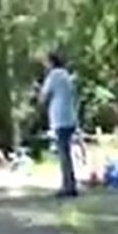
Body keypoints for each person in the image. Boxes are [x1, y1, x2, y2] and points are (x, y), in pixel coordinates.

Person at [38, 52, 79, 198]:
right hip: (70, 117)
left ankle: (68, 186)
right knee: (67, 153)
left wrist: (40, 92)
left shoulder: (54, 76)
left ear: (51, 63)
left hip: (60, 118)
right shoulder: (66, 75)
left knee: (63, 154)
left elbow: (43, 97)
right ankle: (71, 183)